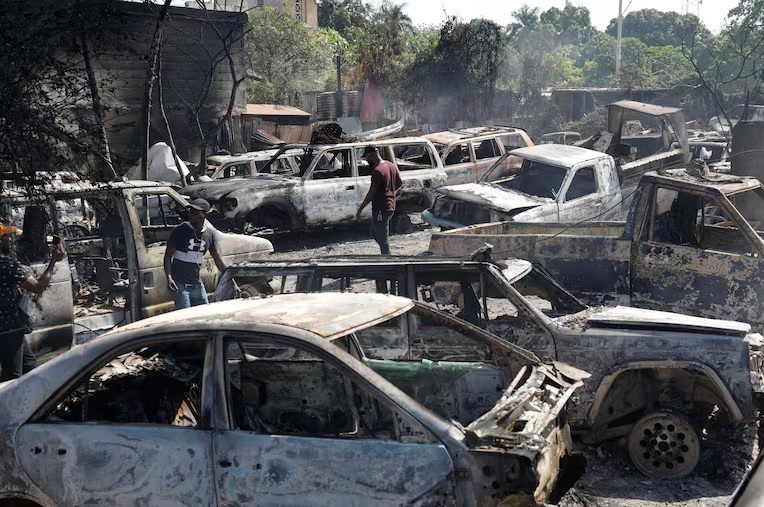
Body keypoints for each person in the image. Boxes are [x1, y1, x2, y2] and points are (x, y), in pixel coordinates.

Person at [0, 222, 65, 382]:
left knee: (28, 364)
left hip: (9, 327)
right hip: (8, 328)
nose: (12, 241)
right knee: (13, 374)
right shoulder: (7, 265)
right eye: (8, 237)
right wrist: (53, 261)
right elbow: (38, 287)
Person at [164, 198, 227, 309]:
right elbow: (168, 257)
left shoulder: (209, 234)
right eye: (191, 212)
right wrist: (169, 278)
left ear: (205, 215)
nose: (192, 215)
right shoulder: (179, 231)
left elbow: (218, 260)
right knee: (184, 317)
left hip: (197, 285)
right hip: (181, 286)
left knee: (203, 315)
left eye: (196, 213)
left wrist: (231, 278)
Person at [356, 145, 402, 255]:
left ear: (371, 155)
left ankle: (388, 260)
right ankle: (386, 255)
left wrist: (360, 209)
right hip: (389, 206)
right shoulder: (390, 165)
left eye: (367, 158)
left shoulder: (377, 171)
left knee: (382, 238)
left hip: (382, 208)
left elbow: (371, 193)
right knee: (374, 232)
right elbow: (399, 182)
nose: (367, 161)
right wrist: (391, 193)